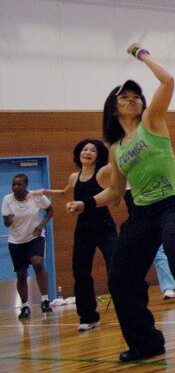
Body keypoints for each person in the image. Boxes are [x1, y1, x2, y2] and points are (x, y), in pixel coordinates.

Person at [67, 44, 175, 363]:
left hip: (172, 204)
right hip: (141, 213)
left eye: (136, 96)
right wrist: (86, 204)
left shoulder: (152, 122)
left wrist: (141, 53)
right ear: (113, 109)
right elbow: (114, 192)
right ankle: (147, 342)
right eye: (124, 97)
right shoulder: (114, 149)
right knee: (120, 276)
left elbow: (167, 80)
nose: (132, 99)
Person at [43, 140, 116, 330]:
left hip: (104, 226)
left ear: (98, 156)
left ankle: (127, 308)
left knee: (115, 268)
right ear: (79, 153)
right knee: (81, 273)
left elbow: (113, 187)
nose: (88, 152)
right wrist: (43, 192)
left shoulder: (103, 172)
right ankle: (88, 317)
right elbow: (66, 194)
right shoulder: (74, 177)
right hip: (83, 229)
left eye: (93, 150)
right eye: (85, 149)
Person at [2, 173, 53, 319]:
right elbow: (6, 222)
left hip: (34, 236)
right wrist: (9, 221)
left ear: (26, 185)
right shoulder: (7, 200)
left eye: (19, 184)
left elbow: (50, 210)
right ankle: (25, 306)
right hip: (16, 240)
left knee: (37, 262)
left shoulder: (36, 196)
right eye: (13, 184)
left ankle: (45, 301)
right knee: (21, 274)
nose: (16, 187)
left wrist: (41, 225)